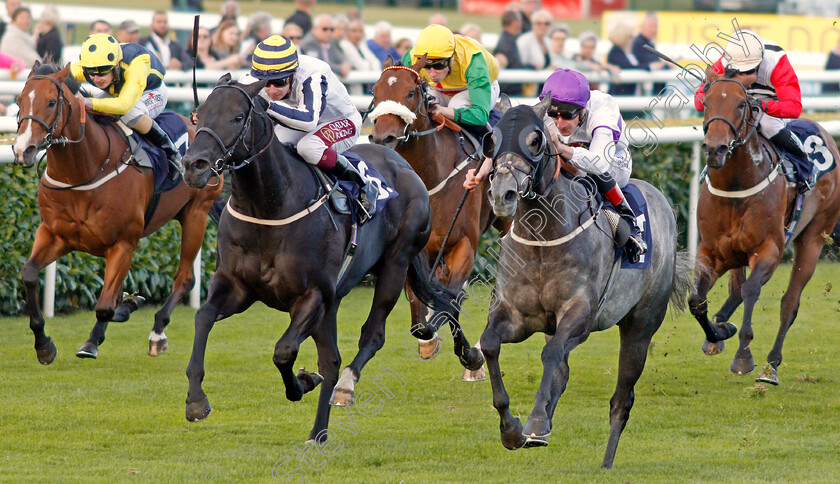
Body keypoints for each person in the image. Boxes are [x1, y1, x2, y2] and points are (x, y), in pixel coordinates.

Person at [464, 68, 648, 263]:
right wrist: (483, 169)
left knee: (588, 171)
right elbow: (512, 139)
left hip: (611, 163)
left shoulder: (603, 110)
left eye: (567, 115)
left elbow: (600, 163)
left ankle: (629, 221)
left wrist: (560, 147)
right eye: (553, 114)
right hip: (571, 156)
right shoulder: (544, 107)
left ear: (583, 110)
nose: (559, 123)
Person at [244, 35, 377, 219]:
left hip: (341, 121)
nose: (272, 90)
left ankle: (364, 184)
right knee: (271, 147)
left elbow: (308, 121)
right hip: (299, 119)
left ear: (292, 73)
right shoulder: (257, 74)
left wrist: (268, 106)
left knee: (309, 147)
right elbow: (234, 96)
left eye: (280, 82)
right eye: (265, 83)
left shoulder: (313, 74)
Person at [695, 30, 812, 191]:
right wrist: (710, 90)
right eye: (739, 71)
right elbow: (699, 103)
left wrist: (764, 106)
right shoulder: (728, 58)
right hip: (739, 102)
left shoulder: (776, 62)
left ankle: (803, 161)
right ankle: (711, 164)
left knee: (768, 125)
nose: (744, 75)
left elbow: (794, 107)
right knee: (721, 122)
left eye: (749, 70)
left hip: (770, 104)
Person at [71, 33, 182, 180]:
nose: (96, 78)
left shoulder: (137, 63)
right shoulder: (87, 64)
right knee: (91, 112)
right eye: (91, 72)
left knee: (129, 113)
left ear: (116, 65)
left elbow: (124, 105)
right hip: (118, 92)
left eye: (103, 70)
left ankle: (171, 153)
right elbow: (59, 75)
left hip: (150, 91)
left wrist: (88, 101)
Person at [403, 24, 500, 136]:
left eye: (439, 65)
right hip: (438, 89)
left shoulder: (473, 62)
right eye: (426, 66)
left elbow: (480, 116)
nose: (432, 73)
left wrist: (444, 111)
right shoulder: (412, 57)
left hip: (472, 88)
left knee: (456, 104)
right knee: (423, 107)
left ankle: (490, 140)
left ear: (452, 57)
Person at [299, 14, 351, 78]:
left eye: (331, 29)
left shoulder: (331, 41)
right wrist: (340, 69)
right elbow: (319, 65)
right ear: (314, 29)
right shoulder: (309, 43)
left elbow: (340, 57)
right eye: (325, 29)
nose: (329, 33)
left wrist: (346, 63)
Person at [632, 12, 669, 94]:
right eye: (651, 26)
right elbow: (652, 62)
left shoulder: (648, 42)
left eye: (655, 26)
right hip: (643, 89)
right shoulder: (639, 43)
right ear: (643, 26)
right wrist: (665, 64)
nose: (654, 29)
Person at [494, 9, 526, 96]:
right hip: (509, 91)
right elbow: (516, 66)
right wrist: (533, 67)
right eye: (520, 21)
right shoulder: (507, 42)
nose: (521, 23)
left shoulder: (507, 38)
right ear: (514, 23)